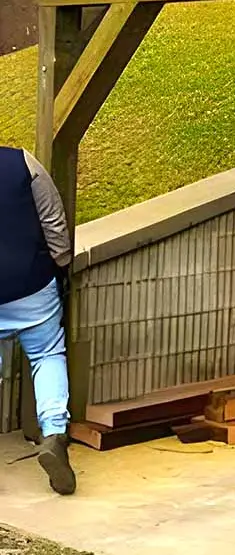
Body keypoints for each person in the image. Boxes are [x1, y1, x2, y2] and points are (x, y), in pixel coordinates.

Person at [0, 146, 76, 495]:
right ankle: (54, 434)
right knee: (47, 354)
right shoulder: (22, 162)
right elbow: (53, 220)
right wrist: (60, 263)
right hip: (32, 284)